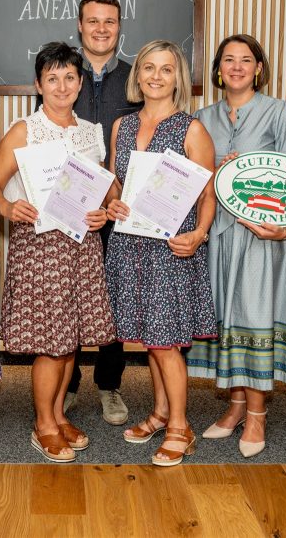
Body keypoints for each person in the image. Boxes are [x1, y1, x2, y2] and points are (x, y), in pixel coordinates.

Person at [0, 41, 116, 462]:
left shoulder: (91, 132)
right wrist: (9, 208)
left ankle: (58, 416)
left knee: (71, 339)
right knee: (50, 343)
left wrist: (104, 212)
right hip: (40, 246)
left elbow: (105, 189)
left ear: (80, 83)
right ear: (39, 85)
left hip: (81, 245)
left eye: (69, 78)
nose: (61, 86)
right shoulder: (24, 130)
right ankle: (43, 426)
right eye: (52, 78)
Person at [185, 35, 286, 459]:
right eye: (228, 60)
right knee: (228, 318)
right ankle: (235, 406)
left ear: (258, 68)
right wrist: (215, 171)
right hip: (217, 234)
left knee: (255, 318)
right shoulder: (202, 117)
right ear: (218, 69)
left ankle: (257, 414)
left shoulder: (279, 112)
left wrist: (282, 227)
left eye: (246, 60)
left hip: (261, 237)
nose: (236, 66)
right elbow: (190, 178)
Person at [106, 40, 217, 467]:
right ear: (137, 76)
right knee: (151, 340)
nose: (156, 76)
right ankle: (159, 413)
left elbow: (207, 194)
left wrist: (200, 234)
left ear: (178, 78)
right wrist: (112, 203)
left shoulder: (192, 129)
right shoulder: (122, 126)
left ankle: (180, 428)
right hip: (129, 245)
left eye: (166, 69)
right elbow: (116, 183)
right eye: (148, 67)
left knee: (166, 342)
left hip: (171, 250)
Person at [65, 0, 141, 426]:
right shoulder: (64, 73)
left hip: (119, 207)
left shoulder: (135, 78)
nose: (101, 28)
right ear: (80, 25)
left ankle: (110, 384)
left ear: (119, 26)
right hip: (71, 207)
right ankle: (69, 382)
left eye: (109, 21)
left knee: (112, 295)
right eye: (93, 21)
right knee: (71, 293)